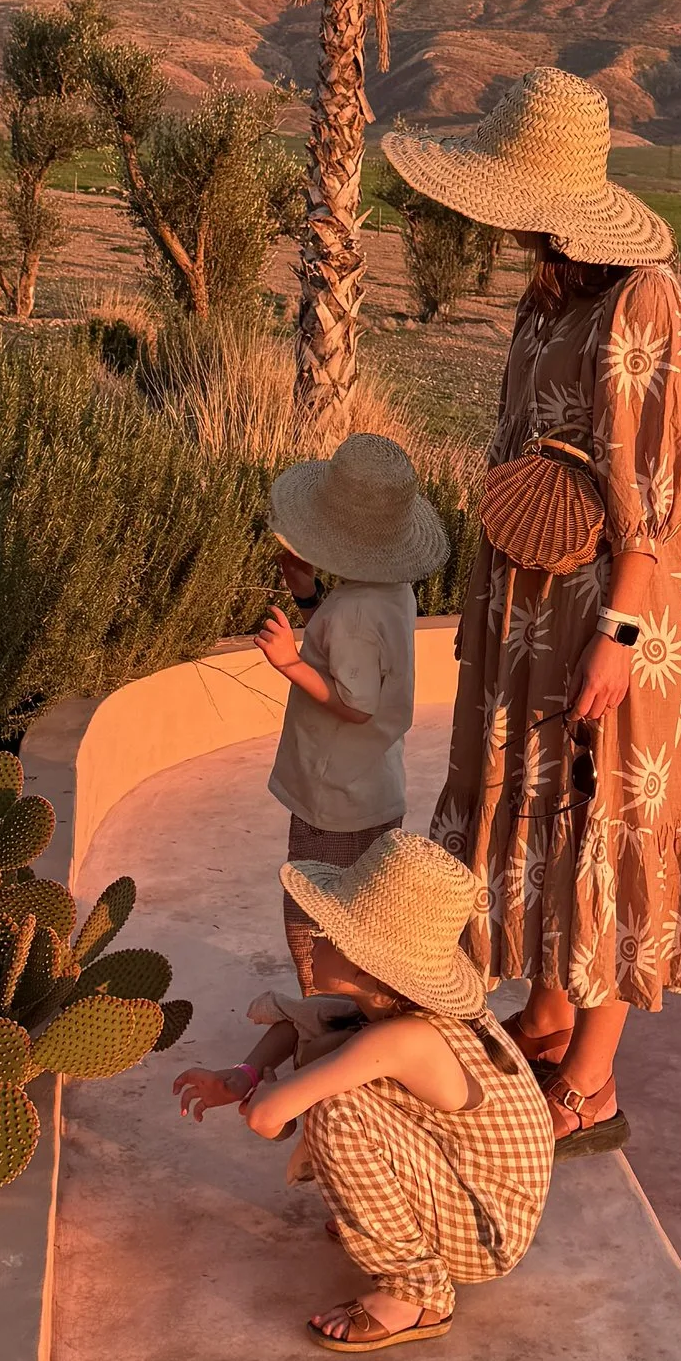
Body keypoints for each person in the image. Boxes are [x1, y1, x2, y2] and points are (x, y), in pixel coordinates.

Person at [381, 68, 681, 1156]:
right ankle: (546, 1011)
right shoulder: (553, 288)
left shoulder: (642, 301)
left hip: (608, 610)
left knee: (604, 812)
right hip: (527, 606)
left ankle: (592, 1084)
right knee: (533, 800)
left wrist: (619, 634)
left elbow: (654, 493)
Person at [174, 830, 554, 1355]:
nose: (314, 936)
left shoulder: (403, 1038)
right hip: (467, 1184)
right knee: (333, 1059)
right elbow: (300, 1023)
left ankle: (417, 1291)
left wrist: (272, 1103)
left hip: (486, 1227)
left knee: (337, 1109)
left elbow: (268, 1117)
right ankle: (392, 1221)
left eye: (329, 931)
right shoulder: (390, 1007)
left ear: (366, 966)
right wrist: (245, 1072)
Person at [251, 429, 448, 1020]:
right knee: (367, 918)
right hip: (371, 784)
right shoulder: (390, 592)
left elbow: (355, 701)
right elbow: (361, 666)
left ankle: (323, 1024)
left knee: (315, 919)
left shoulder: (359, 610)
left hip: (332, 795)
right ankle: (359, 1022)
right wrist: (312, 601)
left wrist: (288, 661)